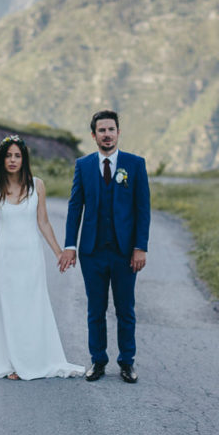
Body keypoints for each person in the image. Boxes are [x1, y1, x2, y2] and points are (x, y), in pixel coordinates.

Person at [0, 134, 84, 380]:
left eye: (17, 156)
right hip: (6, 256)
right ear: (2, 159)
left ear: (24, 159)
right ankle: (12, 363)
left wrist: (59, 252)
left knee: (32, 307)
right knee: (9, 308)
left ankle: (33, 360)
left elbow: (43, 222)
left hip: (31, 255)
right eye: (8, 156)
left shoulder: (37, 185)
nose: (12, 160)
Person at [58, 110, 150, 383]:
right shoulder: (83, 165)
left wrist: (140, 247)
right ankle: (98, 360)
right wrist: (70, 246)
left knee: (125, 309)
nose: (107, 134)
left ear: (118, 133)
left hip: (124, 252)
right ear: (94, 135)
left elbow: (142, 209)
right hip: (92, 251)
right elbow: (75, 207)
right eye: (102, 130)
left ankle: (127, 362)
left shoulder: (135, 165)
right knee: (95, 309)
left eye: (111, 129)